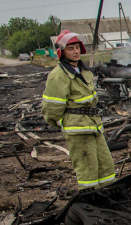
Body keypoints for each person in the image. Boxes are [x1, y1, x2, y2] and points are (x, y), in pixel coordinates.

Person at [42, 30, 115, 190]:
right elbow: (52, 108)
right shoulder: (58, 76)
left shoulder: (82, 71)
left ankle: (108, 196)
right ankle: (89, 202)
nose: (75, 51)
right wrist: (62, 123)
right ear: (62, 52)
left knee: (106, 166)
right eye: (70, 48)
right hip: (78, 130)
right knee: (88, 169)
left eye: (77, 47)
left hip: (93, 125)